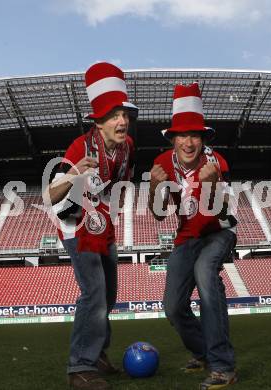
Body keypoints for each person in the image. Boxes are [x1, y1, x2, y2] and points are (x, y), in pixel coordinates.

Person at [44, 62, 137, 390]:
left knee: (109, 293)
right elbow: (50, 195)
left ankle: (97, 355)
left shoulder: (127, 148)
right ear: (98, 121)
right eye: (114, 115)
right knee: (94, 291)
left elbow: (120, 185)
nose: (122, 120)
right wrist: (72, 174)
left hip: (102, 221)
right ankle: (80, 367)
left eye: (124, 114)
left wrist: (114, 206)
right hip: (74, 221)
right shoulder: (79, 147)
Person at [148, 82, 238, 389]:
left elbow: (223, 211)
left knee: (205, 275)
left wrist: (213, 186)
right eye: (182, 135)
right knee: (172, 306)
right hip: (186, 236)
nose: (189, 142)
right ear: (172, 138)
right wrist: (152, 187)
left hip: (218, 232)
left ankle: (223, 365)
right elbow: (159, 213)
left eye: (195, 135)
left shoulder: (216, 163)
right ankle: (202, 351)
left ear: (202, 138)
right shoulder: (160, 164)